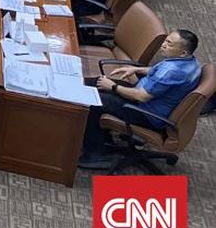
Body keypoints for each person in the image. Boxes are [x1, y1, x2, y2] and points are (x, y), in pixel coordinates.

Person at [79, 30, 202, 169]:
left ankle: (94, 155)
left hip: (145, 113)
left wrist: (113, 87)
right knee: (96, 83)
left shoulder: (173, 71)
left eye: (170, 44)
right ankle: (101, 135)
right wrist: (136, 70)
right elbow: (160, 71)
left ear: (183, 52)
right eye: (166, 40)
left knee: (93, 100)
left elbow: (142, 96)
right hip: (147, 100)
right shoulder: (191, 62)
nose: (163, 45)